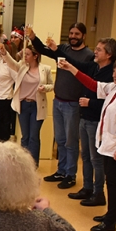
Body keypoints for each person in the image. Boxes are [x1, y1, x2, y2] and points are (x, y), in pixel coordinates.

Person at [58, 52, 116, 231]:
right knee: (109, 179)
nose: (114, 74)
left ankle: (111, 220)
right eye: (114, 71)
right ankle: (114, 214)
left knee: (112, 180)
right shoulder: (114, 88)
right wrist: (71, 68)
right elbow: (92, 83)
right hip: (107, 143)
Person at [30, 24, 94, 190]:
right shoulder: (64, 48)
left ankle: (70, 174)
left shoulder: (88, 55)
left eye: (77, 34)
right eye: (71, 32)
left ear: (84, 36)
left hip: (73, 104)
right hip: (58, 101)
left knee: (71, 142)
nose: (73, 36)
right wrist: (33, 38)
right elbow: (43, 50)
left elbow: (82, 73)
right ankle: (61, 170)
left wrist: (58, 51)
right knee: (60, 139)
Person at [65, 39, 116, 208]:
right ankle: (87, 188)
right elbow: (76, 66)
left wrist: (90, 103)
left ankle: (98, 193)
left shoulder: (112, 74)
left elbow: (111, 102)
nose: (95, 52)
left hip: (97, 120)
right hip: (84, 117)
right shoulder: (93, 67)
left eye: (99, 50)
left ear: (109, 54)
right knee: (85, 156)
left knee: (96, 159)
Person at [10, 46, 53, 164]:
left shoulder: (45, 69)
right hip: (23, 104)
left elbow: (52, 85)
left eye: (28, 54)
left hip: (37, 106)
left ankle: (33, 163)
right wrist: (4, 53)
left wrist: (45, 88)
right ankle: (23, 163)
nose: (25, 57)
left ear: (35, 56)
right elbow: (11, 62)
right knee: (25, 136)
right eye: (24, 54)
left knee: (34, 136)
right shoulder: (22, 67)